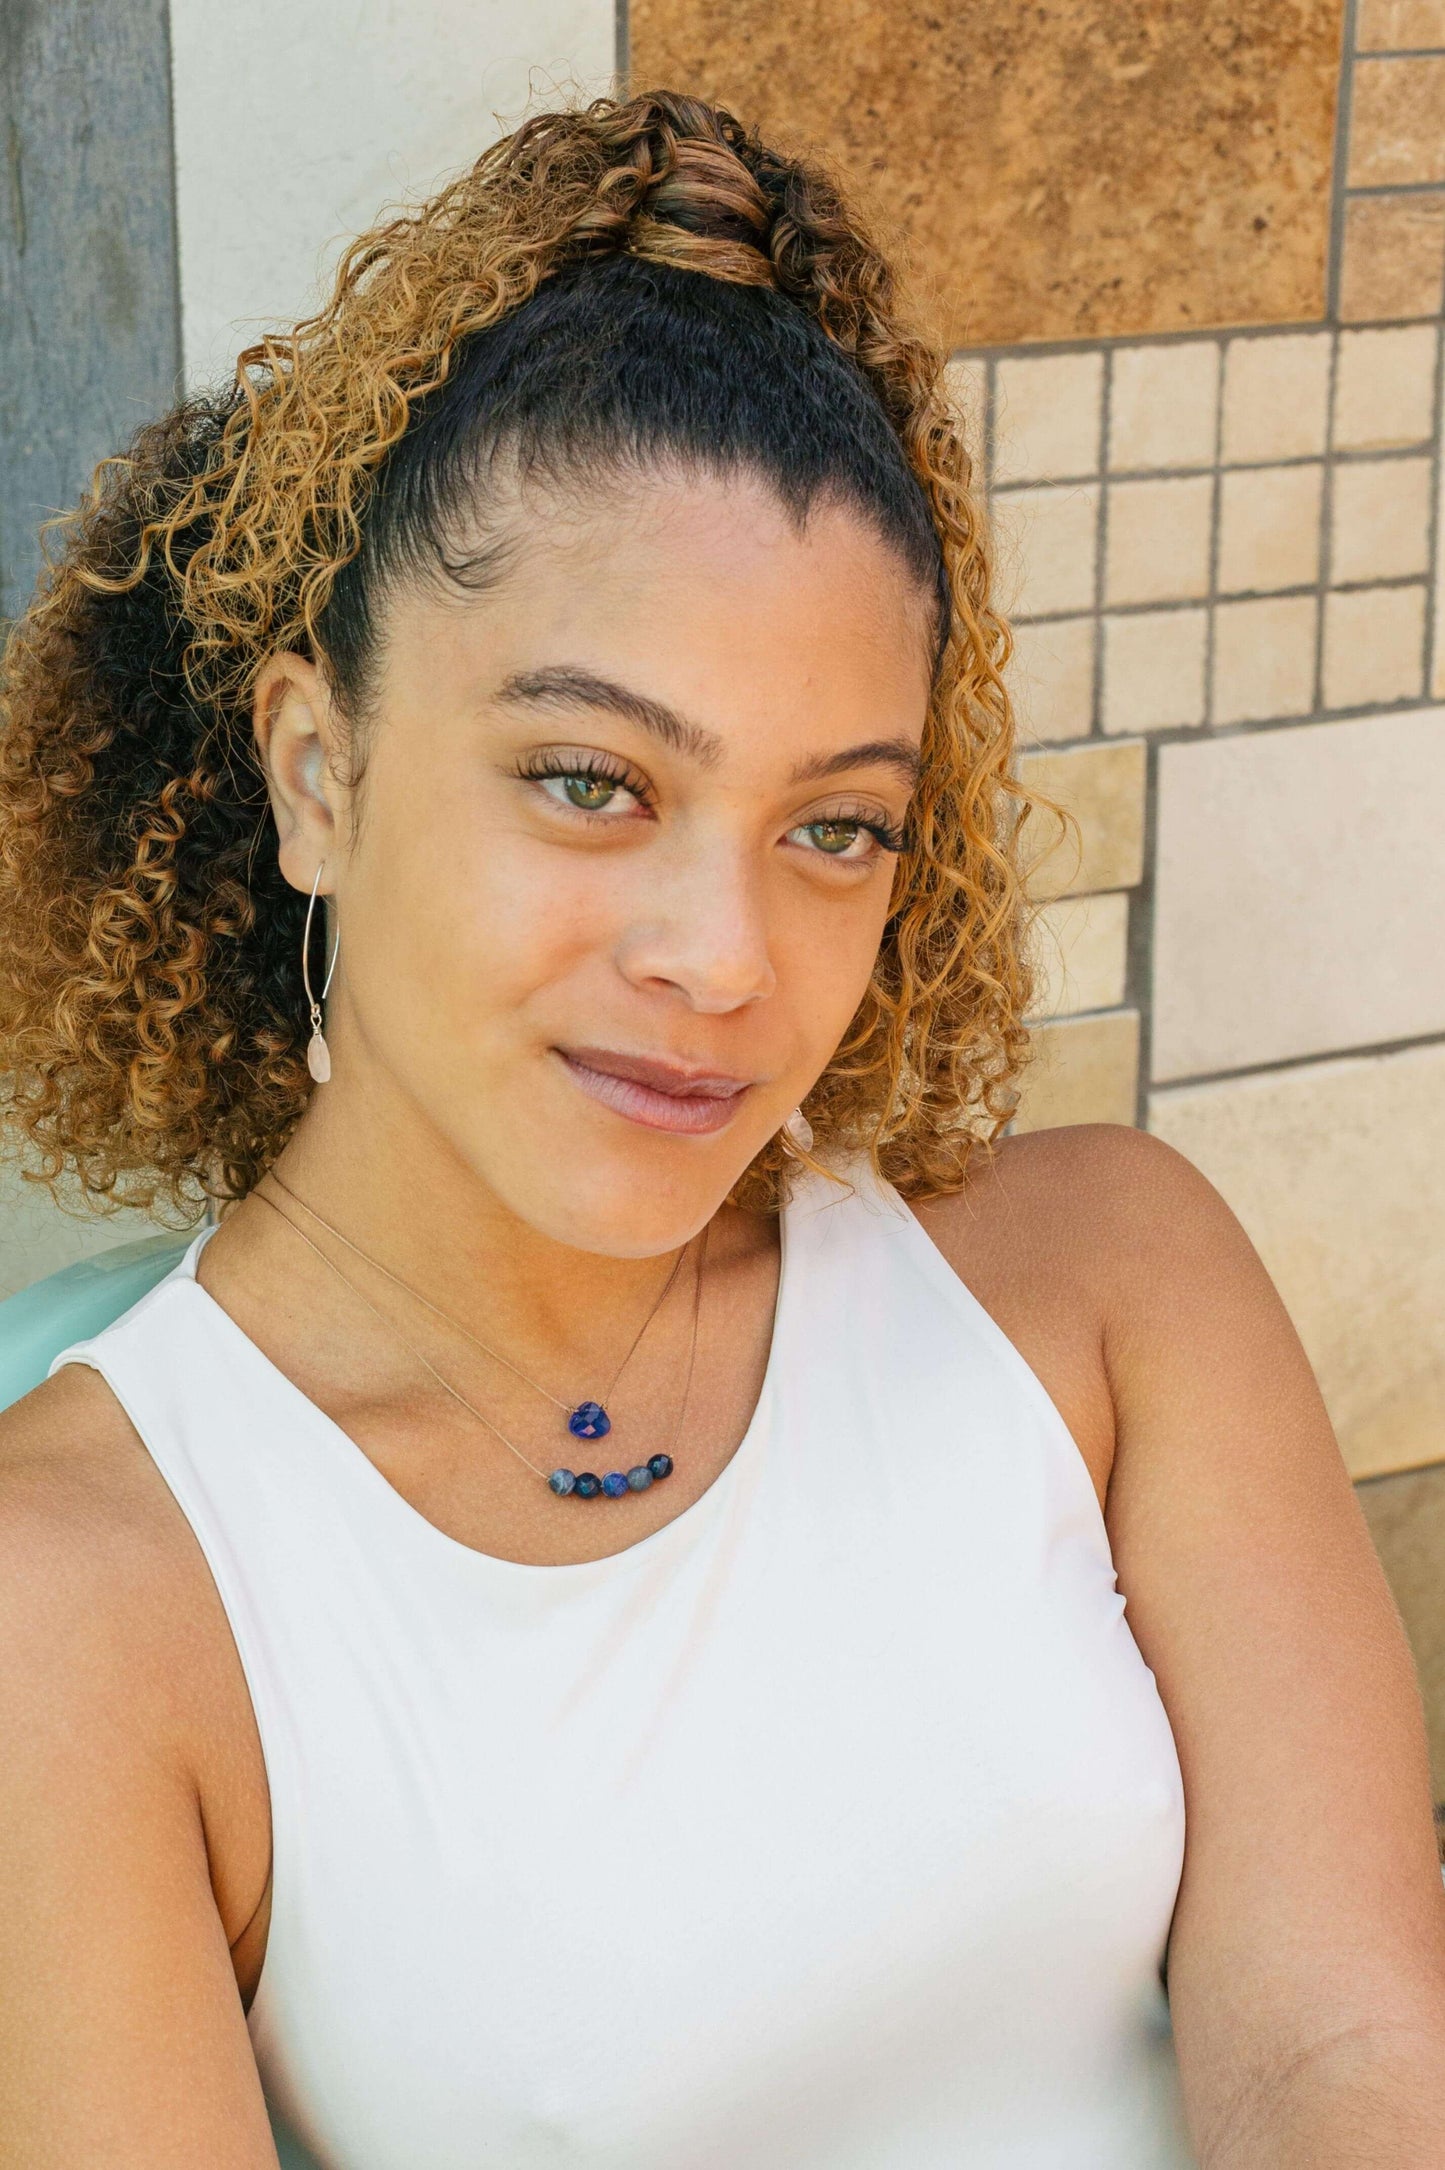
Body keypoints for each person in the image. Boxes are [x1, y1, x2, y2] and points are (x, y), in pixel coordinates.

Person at [0, 89, 1441, 2170]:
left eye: (833, 825)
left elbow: (1339, 2054)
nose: (723, 955)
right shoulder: (82, 1599)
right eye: (591, 781)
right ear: (318, 772)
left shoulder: (1109, 1288)